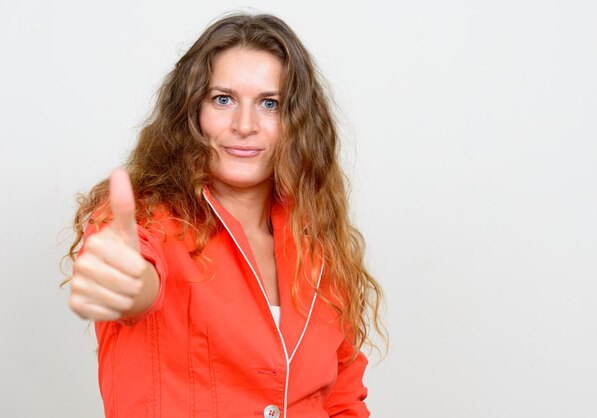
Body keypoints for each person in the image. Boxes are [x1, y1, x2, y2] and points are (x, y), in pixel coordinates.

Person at [65, 12, 385, 418]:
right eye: (223, 99)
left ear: (297, 124)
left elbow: (341, 397)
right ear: (191, 111)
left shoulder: (317, 247)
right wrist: (125, 281)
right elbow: (137, 284)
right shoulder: (144, 218)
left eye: (270, 104)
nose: (245, 125)